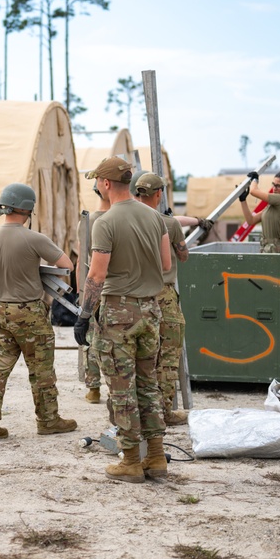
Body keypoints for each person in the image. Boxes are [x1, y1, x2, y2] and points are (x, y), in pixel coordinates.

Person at [73, 157, 171, 483]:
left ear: (104, 184)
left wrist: (84, 315)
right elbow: (166, 263)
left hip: (119, 313)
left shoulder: (106, 221)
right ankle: (156, 457)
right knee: (148, 386)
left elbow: (97, 274)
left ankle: (130, 460)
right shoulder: (155, 217)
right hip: (151, 311)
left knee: (121, 389)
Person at [0, 183, 78, 440]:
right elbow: (66, 265)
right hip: (29, 313)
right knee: (41, 369)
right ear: (28, 208)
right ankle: (48, 420)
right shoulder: (34, 239)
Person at [131, 172, 191, 427]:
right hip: (163, 295)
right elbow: (183, 255)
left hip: (134, 295)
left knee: (140, 358)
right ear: (159, 194)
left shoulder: (124, 221)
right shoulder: (169, 224)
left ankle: (138, 412)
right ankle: (164, 411)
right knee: (167, 357)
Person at [82, 181, 110, 405]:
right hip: (118, 286)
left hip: (93, 285)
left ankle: (93, 388)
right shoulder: (122, 218)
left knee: (91, 336)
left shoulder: (87, 221)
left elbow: (82, 258)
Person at [240, 170, 280, 253]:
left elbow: (253, 191)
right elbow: (251, 220)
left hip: (274, 251)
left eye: (278, 186)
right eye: (273, 185)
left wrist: (255, 180)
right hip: (266, 249)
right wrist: (243, 200)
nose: (274, 188)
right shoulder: (272, 206)